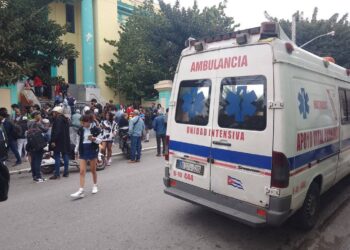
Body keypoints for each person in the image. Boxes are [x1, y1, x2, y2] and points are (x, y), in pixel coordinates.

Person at [71, 114, 102, 199]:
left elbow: (100, 141)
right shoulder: (80, 130)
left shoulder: (96, 129)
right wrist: (76, 151)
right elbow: (78, 141)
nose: (82, 124)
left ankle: (95, 185)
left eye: (84, 122)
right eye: (82, 122)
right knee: (81, 171)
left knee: (93, 170)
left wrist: (94, 139)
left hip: (92, 149)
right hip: (83, 149)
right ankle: (81, 190)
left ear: (89, 122)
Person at [49, 106, 71, 179]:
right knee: (65, 155)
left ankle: (57, 174)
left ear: (57, 112)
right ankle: (66, 172)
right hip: (65, 140)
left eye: (54, 112)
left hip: (58, 141)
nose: (53, 114)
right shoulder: (66, 119)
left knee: (57, 156)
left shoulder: (58, 119)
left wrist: (53, 140)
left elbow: (57, 131)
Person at [26, 111, 48, 182]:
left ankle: (34, 176)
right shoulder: (37, 123)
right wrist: (46, 125)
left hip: (31, 144)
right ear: (35, 116)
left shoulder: (29, 122)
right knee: (38, 161)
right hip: (38, 144)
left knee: (33, 160)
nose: (40, 116)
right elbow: (45, 130)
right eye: (39, 115)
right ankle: (38, 177)